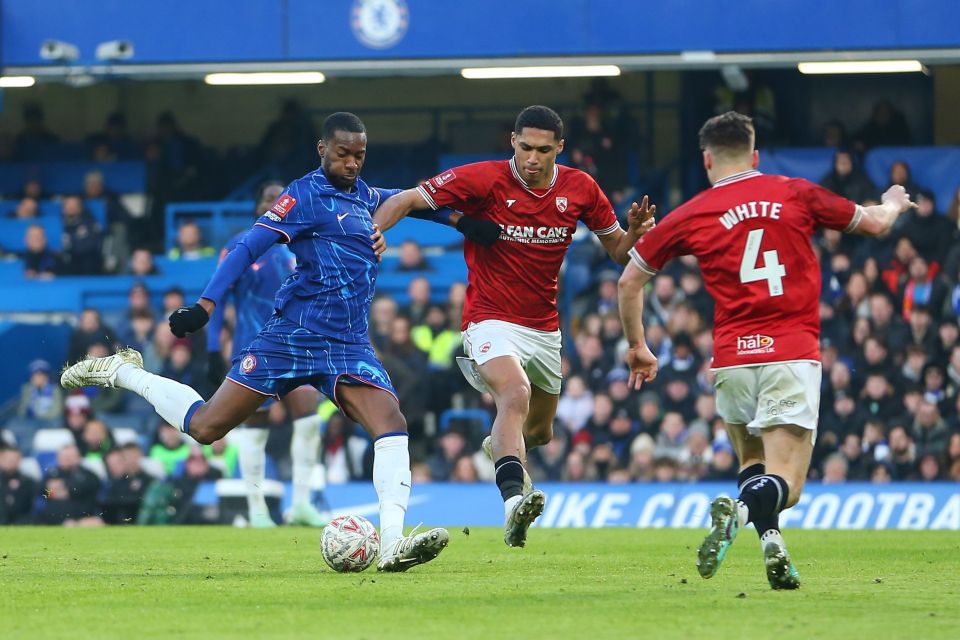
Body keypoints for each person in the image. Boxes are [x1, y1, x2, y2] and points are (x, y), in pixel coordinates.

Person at [61, 112, 498, 572]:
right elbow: (247, 247)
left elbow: (412, 202)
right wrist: (206, 306)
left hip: (346, 344)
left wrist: (462, 223)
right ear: (322, 149)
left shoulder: (367, 197)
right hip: (292, 337)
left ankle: (391, 544)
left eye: (359, 156)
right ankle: (124, 372)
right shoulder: (304, 194)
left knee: (392, 423)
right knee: (208, 427)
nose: (352, 164)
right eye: (343, 154)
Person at [617, 111, 916, 590]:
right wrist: (894, 202)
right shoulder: (794, 192)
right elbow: (876, 224)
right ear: (755, 155)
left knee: (751, 464)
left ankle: (773, 546)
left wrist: (638, 346)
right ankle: (737, 513)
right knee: (787, 485)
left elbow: (630, 280)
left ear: (707, 159)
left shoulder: (693, 212)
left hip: (733, 360)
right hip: (790, 353)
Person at [372, 105, 655, 548]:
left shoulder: (581, 189)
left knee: (538, 432)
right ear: (513, 142)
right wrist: (373, 232)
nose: (533, 158)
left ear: (559, 148)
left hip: (544, 329)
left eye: (544, 150)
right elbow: (406, 199)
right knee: (515, 392)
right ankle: (512, 505)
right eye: (525, 147)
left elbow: (618, 253)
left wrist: (634, 234)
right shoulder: (483, 179)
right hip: (488, 319)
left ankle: (500, 446)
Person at [205, 179, 330, 528]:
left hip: (299, 346)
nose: (276, 203)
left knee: (308, 421)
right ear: (260, 206)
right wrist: (213, 349)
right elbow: (219, 294)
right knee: (254, 429)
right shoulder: (240, 246)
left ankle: (302, 503)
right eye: (268, 198)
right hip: (255, 347)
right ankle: (258, 508)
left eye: (282, 198)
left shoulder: (305, 246)